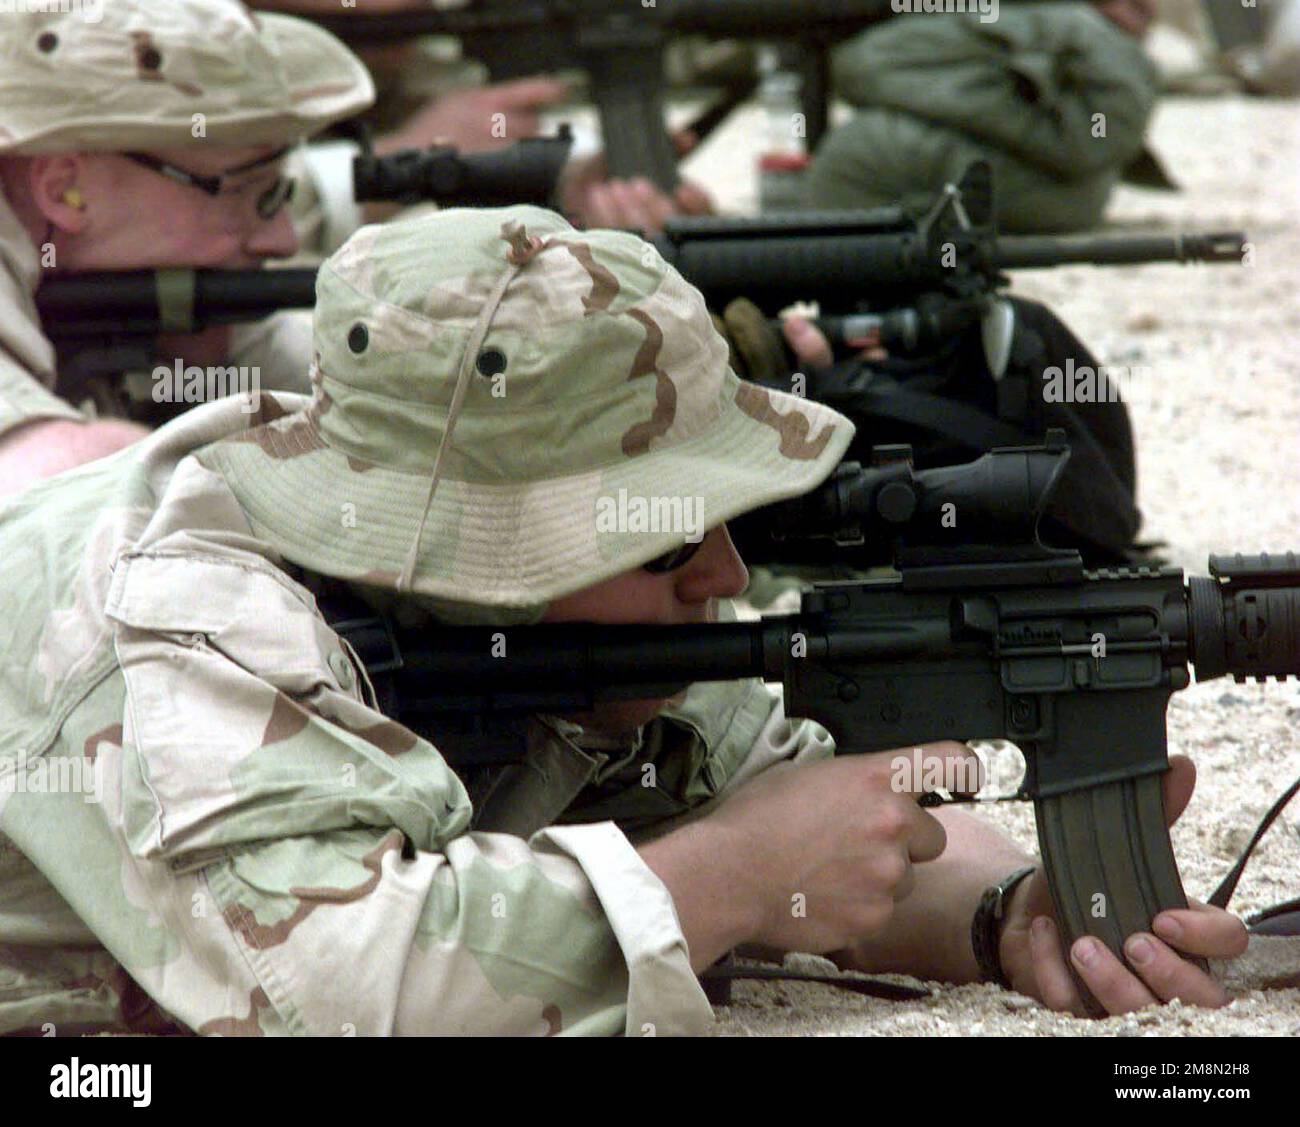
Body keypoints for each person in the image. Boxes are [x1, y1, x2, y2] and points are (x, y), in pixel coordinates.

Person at [0, 204, 1246, 1035]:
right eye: (662, 534)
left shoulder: (568, 622)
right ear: (474, 553)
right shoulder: (171, 614)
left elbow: (773, 777)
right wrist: (738, 870)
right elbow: (338, 991)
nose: (720, 573)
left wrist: (1004, 912)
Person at [0, 0, 375, 499]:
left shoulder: (137, 273)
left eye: (276, 194)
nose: (281, 238)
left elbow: (314, 375)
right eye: (249, 190)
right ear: (65, 188)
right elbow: (42, 471)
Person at [807, 1, 1167, 232]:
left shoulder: (1077, 31)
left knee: (860, 155)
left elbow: (1101, 137)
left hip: (1064, 188)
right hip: (1068, 190)